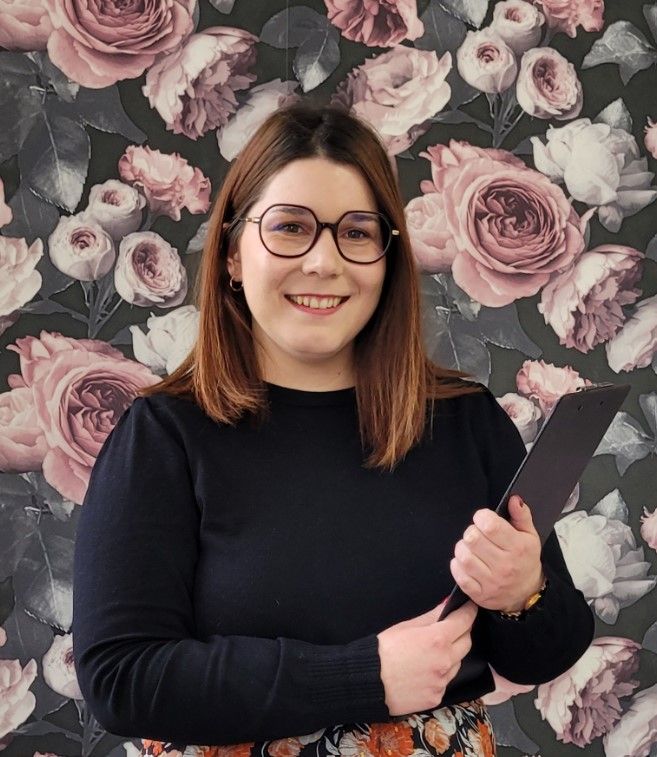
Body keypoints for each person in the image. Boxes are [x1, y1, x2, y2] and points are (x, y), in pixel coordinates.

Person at [72, 103, 594, 757]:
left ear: (387, 258)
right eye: (290, 227)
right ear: (233, 254)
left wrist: (523, 594)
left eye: (356, 232)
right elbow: (121, 679)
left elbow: (547, 650)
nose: (324, 261)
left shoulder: (466, 422)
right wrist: (363, 675)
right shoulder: (163, 436)